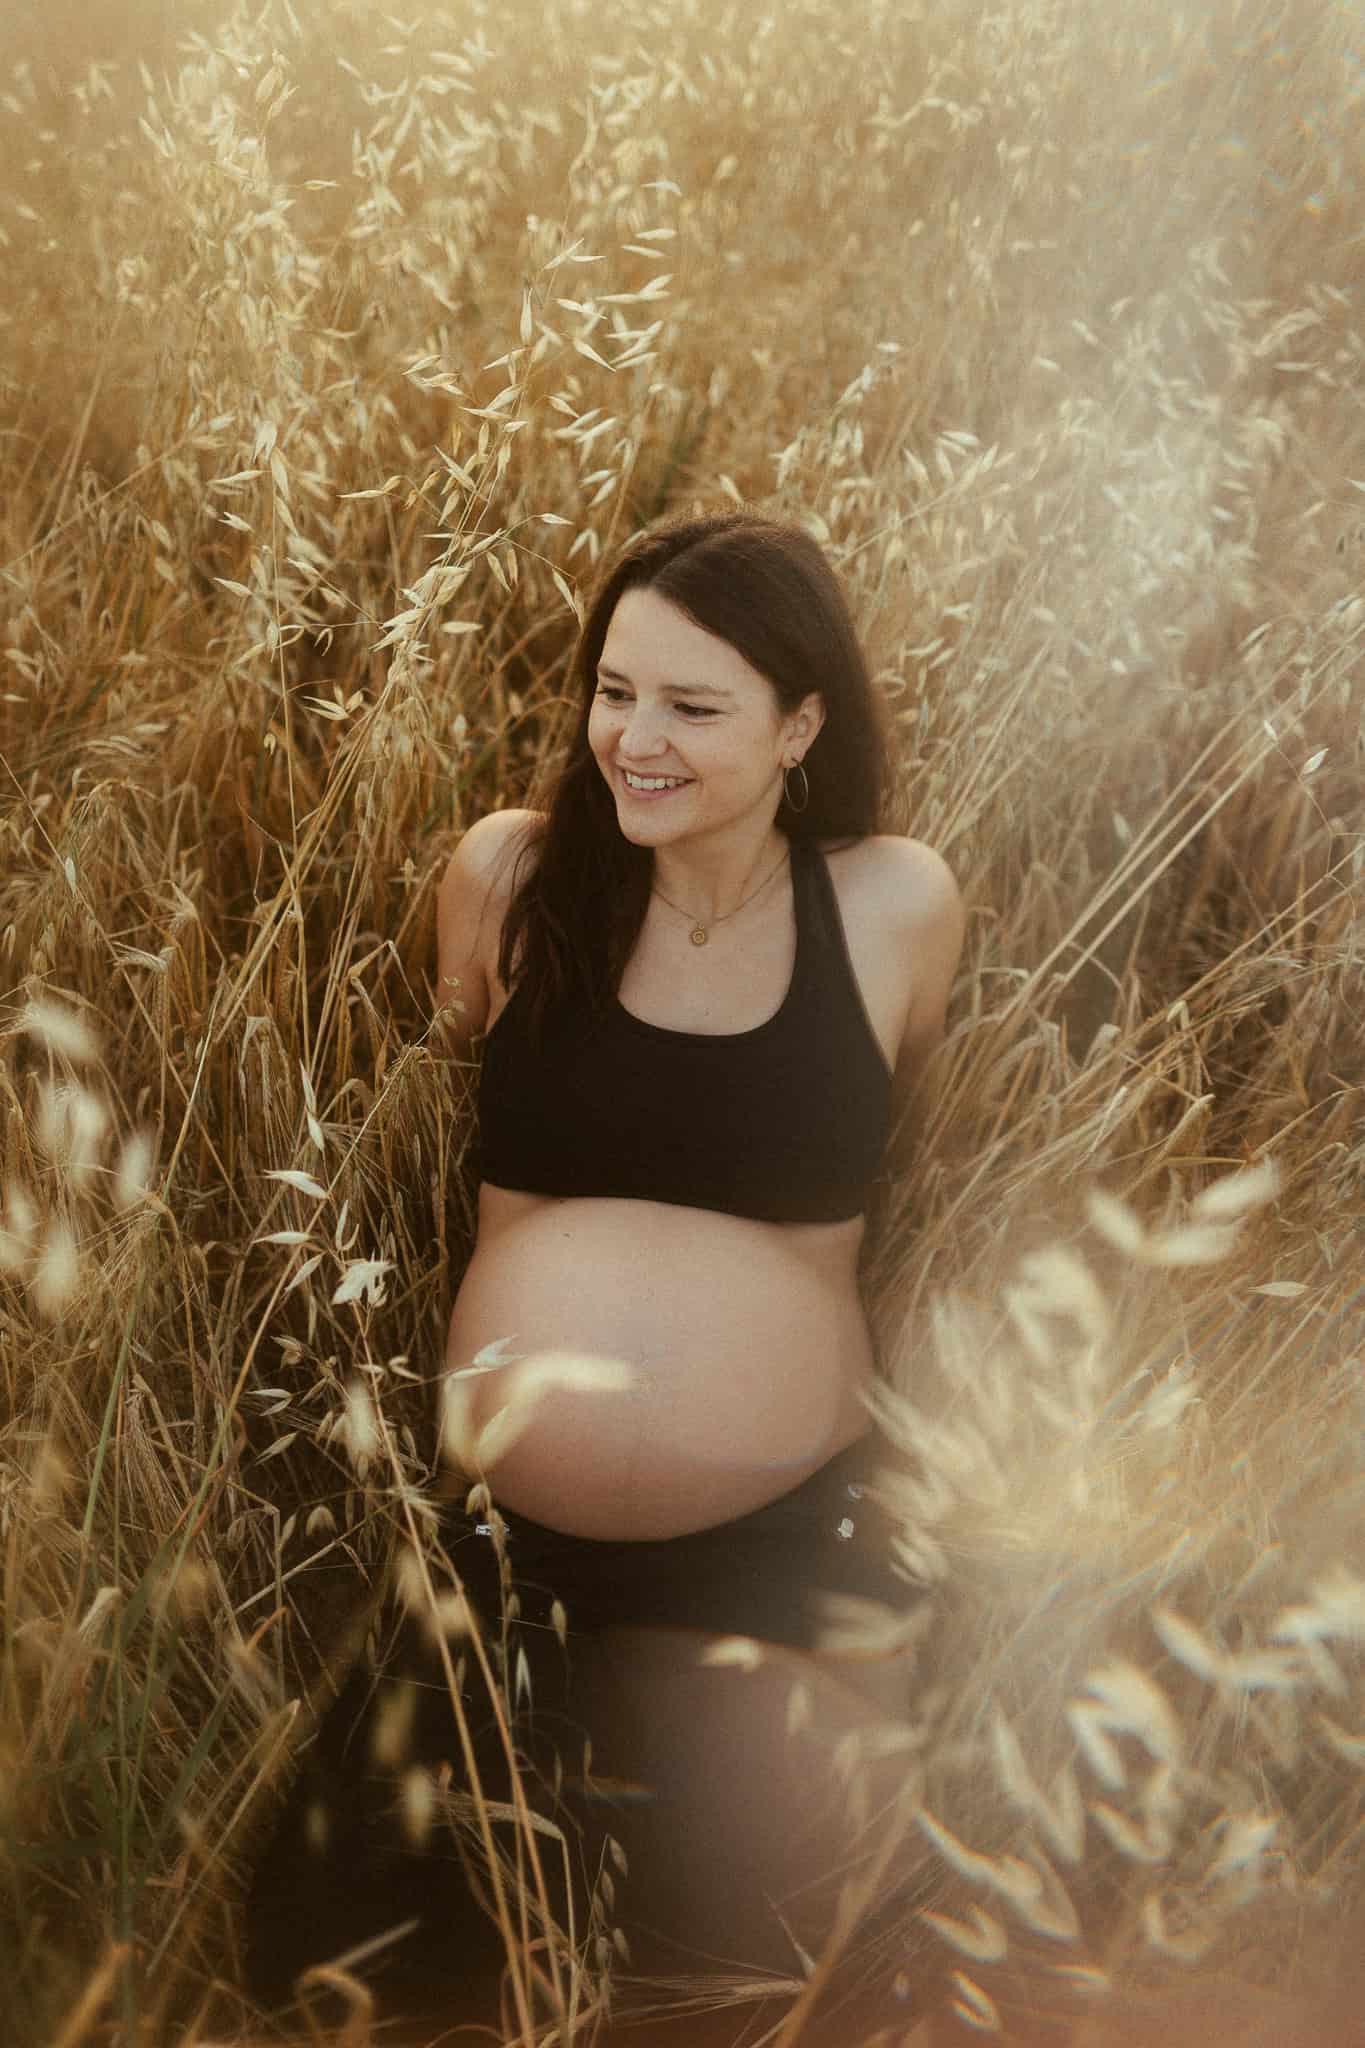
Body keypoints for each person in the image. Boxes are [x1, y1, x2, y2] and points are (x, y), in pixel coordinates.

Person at [243, 507, 965, 2040]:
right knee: (351, 1954)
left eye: (692, 707)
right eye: (614, 691)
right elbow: (451, 1081)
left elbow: (914, 1133)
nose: (632, 739)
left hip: (780, 1539)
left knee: (762, 1967)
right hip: (507, 1541)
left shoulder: (890, 902)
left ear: (800, 725)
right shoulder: (509, 877)